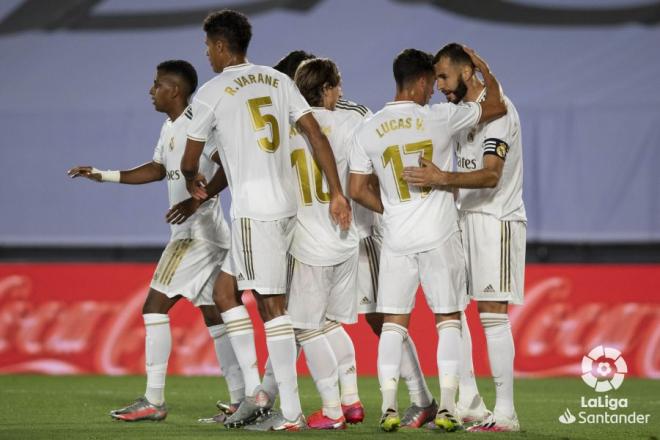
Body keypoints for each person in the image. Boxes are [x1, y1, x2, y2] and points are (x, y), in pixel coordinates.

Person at [180, 10, 351, 431]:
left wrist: (192, 180)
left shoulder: (213, 91)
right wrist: (336, 191)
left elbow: (190, 159)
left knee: (273, 308)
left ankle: (287, 412)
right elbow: (315, 134)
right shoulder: (279, 81)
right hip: (287, 207)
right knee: (225, 291)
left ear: (221, 46)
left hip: (256, 212)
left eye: (207, 46)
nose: (207, 54)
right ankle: (257, 392)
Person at [67, 60, 244, 422]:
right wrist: (103, 174)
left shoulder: (199, 124)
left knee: (153, 307)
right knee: (214, 317)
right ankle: (241, 398)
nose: (151, 91)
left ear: (175, 90)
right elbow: (158, 168)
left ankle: (153, 400)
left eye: (157, 85)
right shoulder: (170, 127)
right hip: (212, 236)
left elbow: (228, 166)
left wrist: (198, 199)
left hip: (195, 236)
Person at [273, 50, 436, 429]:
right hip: (348, 233)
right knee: (332, 321)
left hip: (356, 233)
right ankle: (346, 400)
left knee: (376, 319)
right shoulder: (353, 120)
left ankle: (414, 399)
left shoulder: (307, 123)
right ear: (326, 87)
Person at [348, 47, 507, 432]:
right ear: (420, 82)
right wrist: (482, 68)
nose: (435, 89)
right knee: (449, 320)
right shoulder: (439, 117)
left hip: (397, 238)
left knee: (393, 325)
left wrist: (390, 208)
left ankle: (387, 407)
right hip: (439, 234)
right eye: (431, 82)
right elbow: (497, 106)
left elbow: (355, 188)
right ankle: (450, 407)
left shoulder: (367, 128)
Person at [402, 42, 526, 432]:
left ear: (467, 73)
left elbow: (491, 174)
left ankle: (506, 413)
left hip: (496, 220)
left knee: (492, 314)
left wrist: (441, 178)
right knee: (456, 310)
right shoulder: (461, 114)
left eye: (443, 76)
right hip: (464, 220)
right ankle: (471, 403)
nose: (438, 85)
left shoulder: (501, 115)